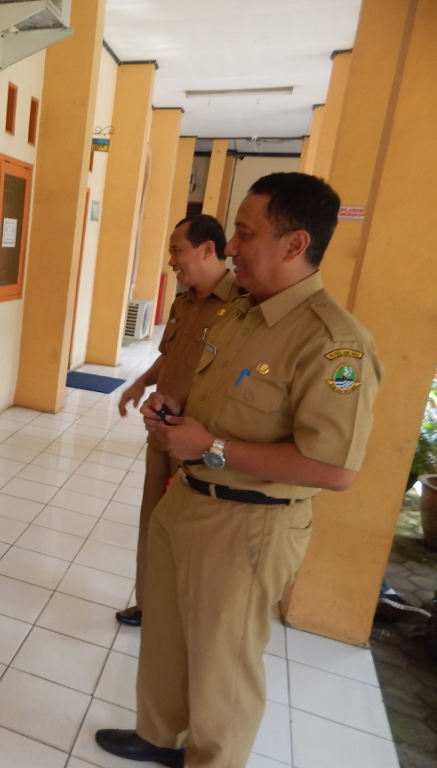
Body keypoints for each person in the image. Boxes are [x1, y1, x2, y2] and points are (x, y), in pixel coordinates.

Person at [96, 172, 382, 768]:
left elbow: (334, 469)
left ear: (294, 243)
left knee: (221, 665)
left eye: (245, 234)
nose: (230, 247)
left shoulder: (335, 343)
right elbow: (219, 401)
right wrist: (176, 409)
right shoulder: (240, 315)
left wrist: (213, 446)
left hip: (249, 526)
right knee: (168, 637)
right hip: (189, 500)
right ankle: (160, 737)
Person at [115, 215, 240, 627]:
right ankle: (148, 604)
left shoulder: (241, 306)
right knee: (153, 518)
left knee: (191, 528)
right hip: (161, 431)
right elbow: (169, 355)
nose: (171, 260)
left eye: (176, 250)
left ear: (207, 249)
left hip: (199, 441)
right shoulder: (183, 302)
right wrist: (140, 383)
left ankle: (183, 612)